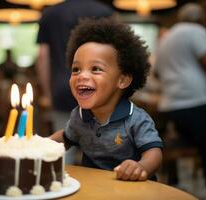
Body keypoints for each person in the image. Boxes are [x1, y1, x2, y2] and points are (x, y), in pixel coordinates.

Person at [50, 17, 163, 181]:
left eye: (95, 69)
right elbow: (66, 138)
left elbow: (154, 153)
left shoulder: (136, 119)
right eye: (76, 69)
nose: (82, 75)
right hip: (94, 188)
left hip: (132, 189)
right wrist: (41, 144)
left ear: (122, 80)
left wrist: (141, 166)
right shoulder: (79, 116)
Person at [35, 0, 114, 164]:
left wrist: (48, 94)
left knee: (62, 152)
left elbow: (42, 56)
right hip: (99, 88)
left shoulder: (50, 13)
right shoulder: (104, 10)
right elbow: (116, 53)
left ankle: (62, 187)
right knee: (102, 151)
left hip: (62, 87)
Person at [154, 3, 206, 187]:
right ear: (200, 19)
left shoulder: (167, 36)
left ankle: (173, 184)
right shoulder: (196, 30)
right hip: (194, 100)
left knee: (176, 146)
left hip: (169, 105)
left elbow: (157, 72)